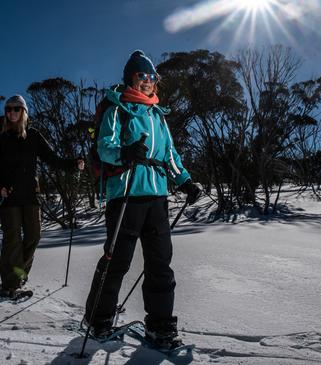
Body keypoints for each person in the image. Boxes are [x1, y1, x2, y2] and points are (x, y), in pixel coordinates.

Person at [83, 50, 201, 349]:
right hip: (125, 194)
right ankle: (99, 319)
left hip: (157, 196)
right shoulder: (117, 108)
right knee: (117, 260)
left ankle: (160, 325)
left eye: (152, 77)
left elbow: (170, 155)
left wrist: (185, 181)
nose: (148, 81)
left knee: (160, 261)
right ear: (130, 79)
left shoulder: (156, 115)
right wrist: (125, 152)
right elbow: (105, 146)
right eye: (142, 76)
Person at [0, 95, 84, 298]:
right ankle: (10, 285)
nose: (11, 112)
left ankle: (18, 275)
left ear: (24, 112)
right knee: (12, 240)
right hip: (8, 195)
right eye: (8, 109)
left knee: (34, 236)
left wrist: (73, 164)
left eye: (16, 109)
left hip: (30, 194)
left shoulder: (33, 135)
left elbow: (52, 158)